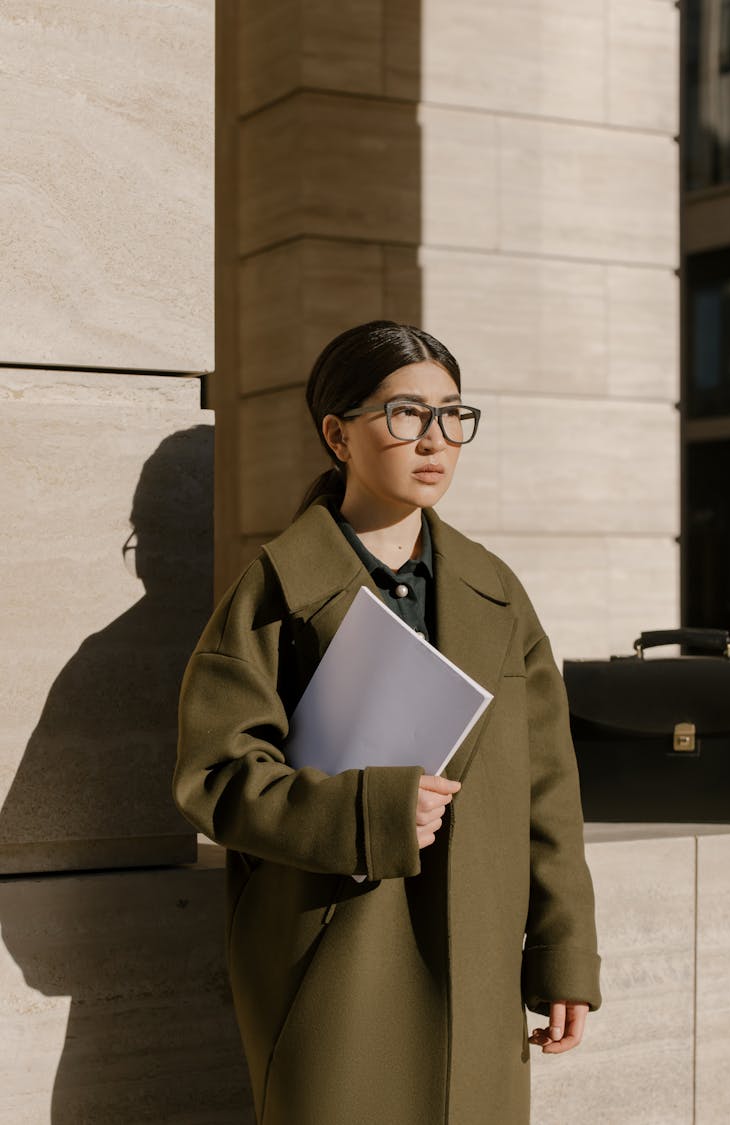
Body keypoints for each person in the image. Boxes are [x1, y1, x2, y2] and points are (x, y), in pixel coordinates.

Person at [173, 320, 601, 1125]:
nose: (435, 439)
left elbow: (549, 788)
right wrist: (365, 810)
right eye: (405, 413)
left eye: (452, 414)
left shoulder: (496, 592)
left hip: (478, 965)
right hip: (334, 951)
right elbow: (216, 775)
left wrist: (562, 951)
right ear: (337, 433)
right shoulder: (278, 588)